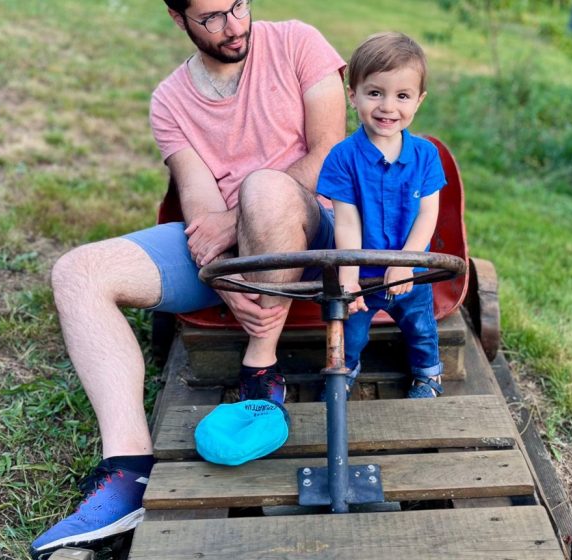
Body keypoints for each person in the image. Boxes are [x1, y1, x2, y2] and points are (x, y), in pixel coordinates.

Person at [30, 0, 346, 556]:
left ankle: (261, 367)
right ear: (178, 19)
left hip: (313, 231)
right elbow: (198, 207)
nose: (234, 26)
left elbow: (329, 156)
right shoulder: (170, 100)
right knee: (77, 272)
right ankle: (128, 470)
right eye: (212, 18)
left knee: (264, 188)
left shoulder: (299, 42)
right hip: (224, 249)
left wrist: (236, 223)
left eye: (239, 6)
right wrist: (221, 272)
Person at [316, 32, 445, 400]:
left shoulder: (425, 156)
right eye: (375, 93)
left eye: (402, 96)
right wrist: (349, 279)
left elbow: (427, 213)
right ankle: (345, 372)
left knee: (420, 326)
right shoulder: (343, 157)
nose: (388, 107)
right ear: (352, 94)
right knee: (351, 331)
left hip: (410, 271)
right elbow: (347, 220)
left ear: (418, 102)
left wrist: (405, 263)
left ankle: (427, 375)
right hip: (364, 275)